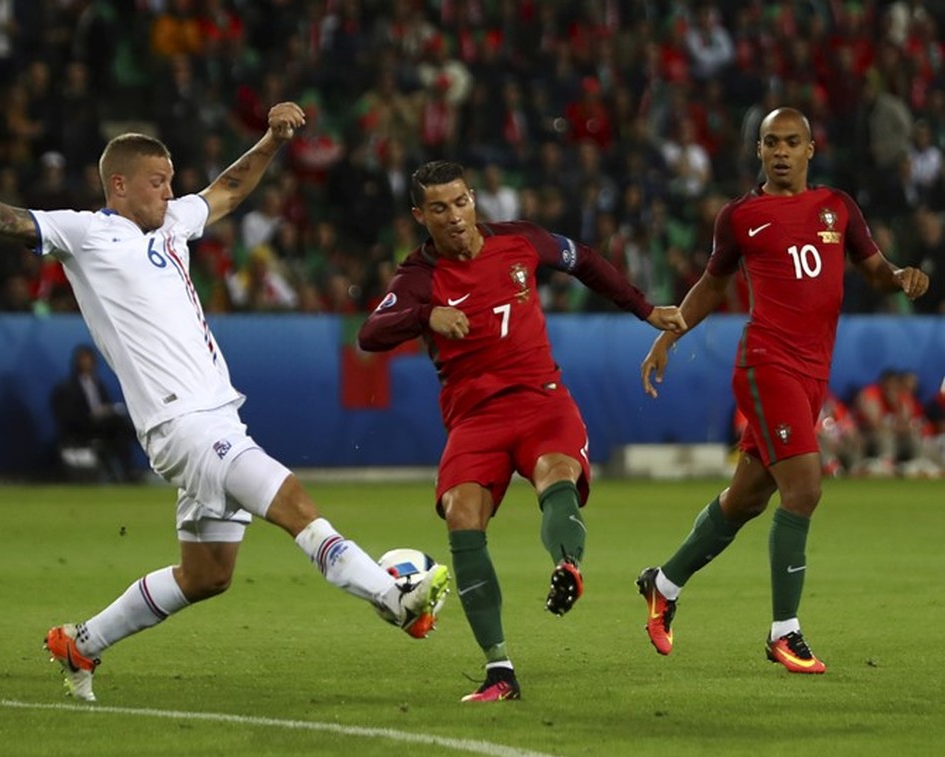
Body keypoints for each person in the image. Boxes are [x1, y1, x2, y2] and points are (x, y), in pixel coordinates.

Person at [0, 101, 450, 702]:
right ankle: (394, 599)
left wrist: (271, 139)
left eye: (170, 180)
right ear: (119, 184)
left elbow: (228, 190)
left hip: (215, 415)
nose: (169, 191)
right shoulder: (86, 233)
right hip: (179, 422)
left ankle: (80, 642)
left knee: (206, 575)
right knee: (291, 500)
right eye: (157, 181)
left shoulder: (172, 225)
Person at [358, 159, 687, 703]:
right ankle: (499, 670)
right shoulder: (418, 279)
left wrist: (645, 309)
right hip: (474, 419)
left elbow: (586, 262)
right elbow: (371, 334)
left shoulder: (522, 242)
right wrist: (425, 316)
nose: (455, 217)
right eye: (439, 208)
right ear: (421, 216)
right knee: (463, 515)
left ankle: (567, 565)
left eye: (461, 202)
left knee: (556, 474)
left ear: (474, 199)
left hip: (542, 401)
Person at [638, 107, 930, 674]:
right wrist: (668, 336)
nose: (780, 151)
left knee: (746, 498)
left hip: (811, 373)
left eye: (791, 142)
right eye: (770, 142)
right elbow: (710, 284)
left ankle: (664, 583)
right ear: (759, 151)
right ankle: (784, 631)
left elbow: (873, 269)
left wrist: (899, 277)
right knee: (805, 488)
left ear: (810, 149)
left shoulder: (837, 208)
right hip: (766, 364)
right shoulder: (742, 217)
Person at [51, 343, 139, 483]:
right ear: (77, 361)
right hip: (81, 427)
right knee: (119, 425)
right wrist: (91, 415)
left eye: (89, 359)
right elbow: (67, 415)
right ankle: (138, 439)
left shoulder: (98, 384)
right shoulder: (67, 387)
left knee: (119, 432)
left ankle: (127, 473)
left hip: (102, 427)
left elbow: (106, 404)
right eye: (84, 359)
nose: (87, 363)